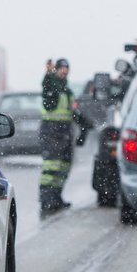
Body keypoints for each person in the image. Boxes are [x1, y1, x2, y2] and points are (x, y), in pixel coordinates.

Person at [39, 58, 91, 213]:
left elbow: (72, 111)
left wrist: (84, 124)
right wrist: (48, 73)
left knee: (64, 166)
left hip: (65, 132)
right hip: (51, 131)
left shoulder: (67, 91)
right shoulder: (52, 85)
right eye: (61, 68)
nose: (64, 71)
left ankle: (56, 197)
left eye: (66, 68)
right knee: (51, 166)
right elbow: (48, 87)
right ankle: (46, 199)